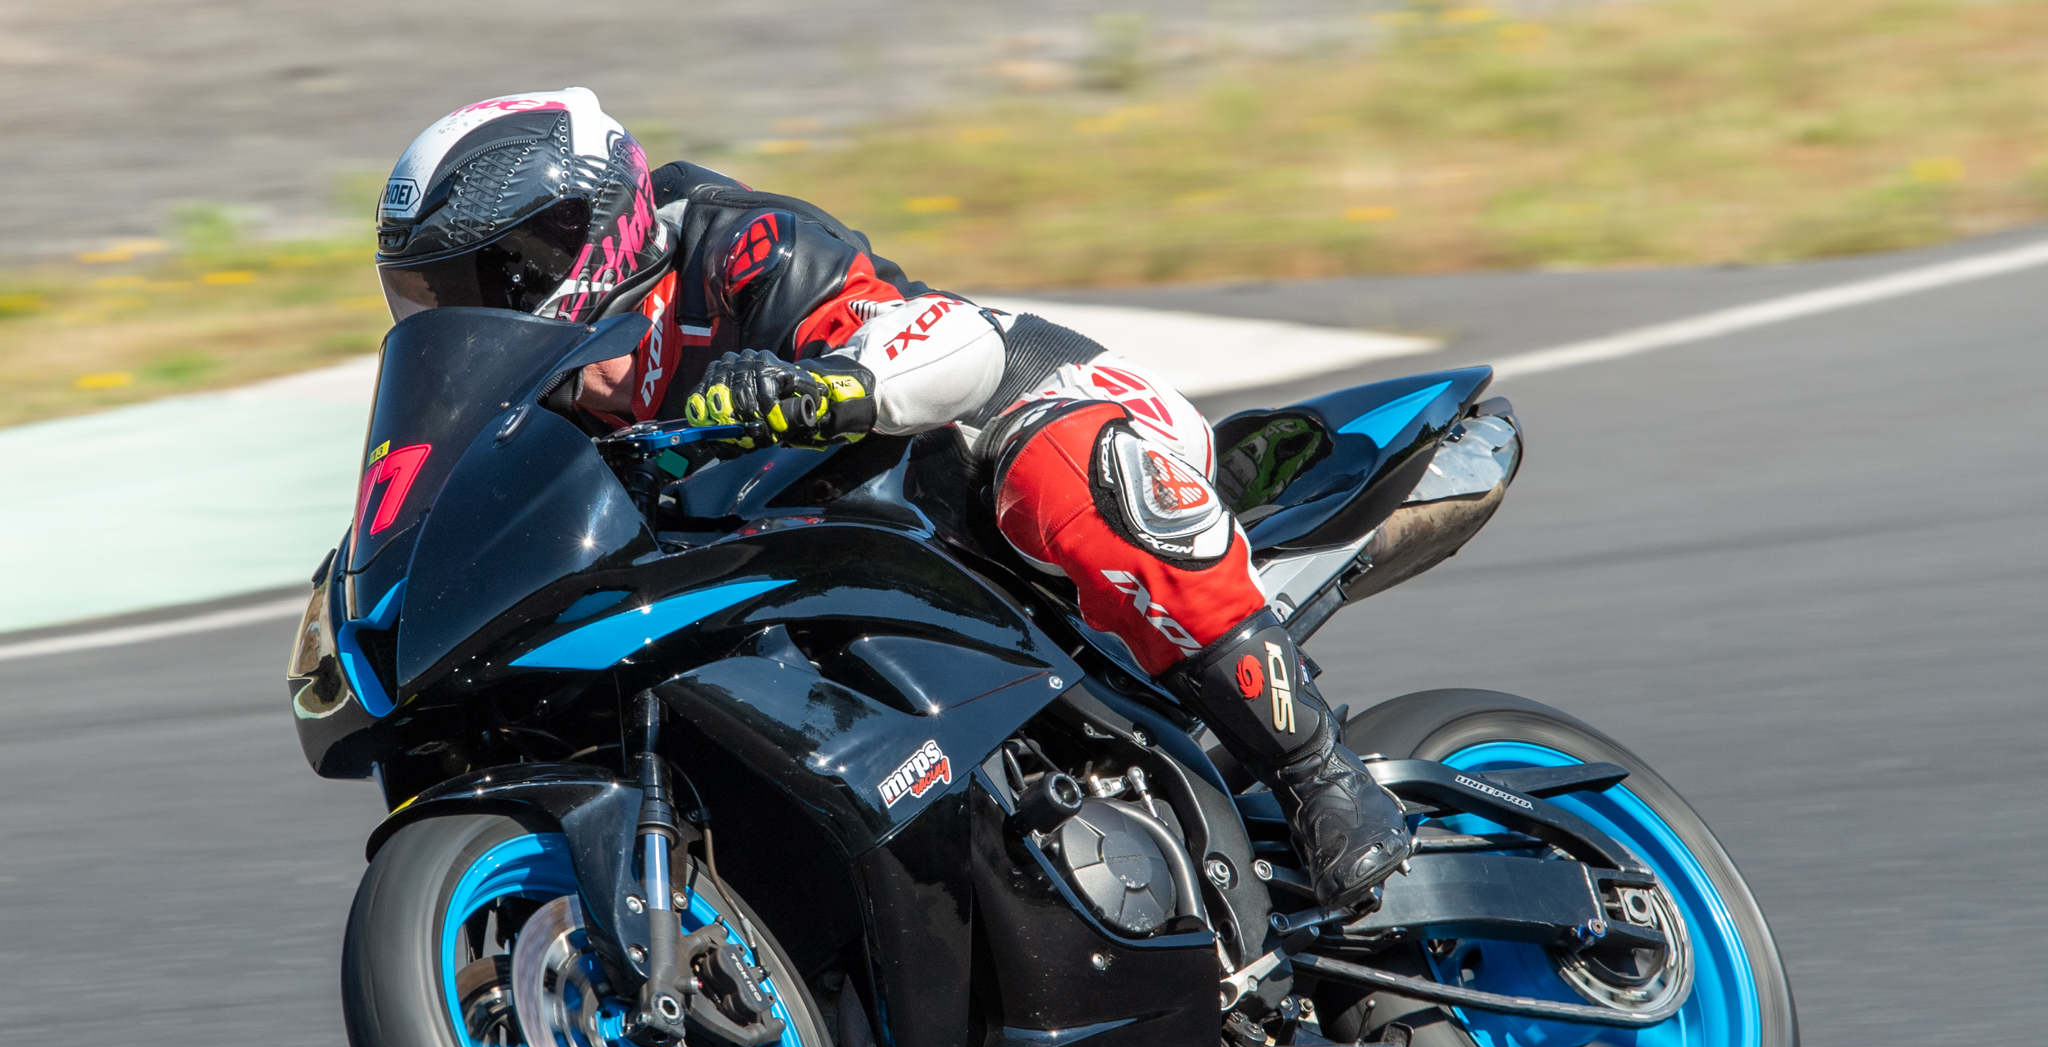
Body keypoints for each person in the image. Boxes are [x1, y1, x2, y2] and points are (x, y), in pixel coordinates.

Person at [374, 88, 1410, 912]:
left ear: (582, 235)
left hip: (991, 434)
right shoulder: (542, 402)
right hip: (826, 558)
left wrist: (824, 386)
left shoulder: (736, 246)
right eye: (443, 296)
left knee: (1056, 466)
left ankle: (1319, 774)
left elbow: (950, 339)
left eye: (497, 277)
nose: (479, 313)